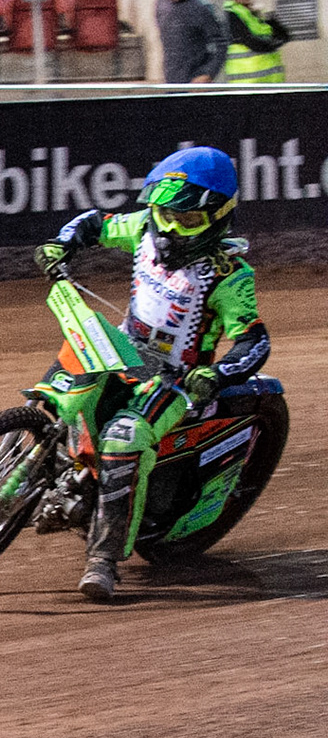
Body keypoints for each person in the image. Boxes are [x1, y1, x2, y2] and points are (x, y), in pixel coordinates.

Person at [34, 147, 270, 602]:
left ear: (219, 219)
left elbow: (254, 340)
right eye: (164, 214)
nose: (171, 229)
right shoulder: (143, 228)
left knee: (125, 437)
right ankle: (26, 476)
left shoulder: (230, 276)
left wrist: (216, 375)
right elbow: (94, 223)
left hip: (176, 379)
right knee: (59, 393)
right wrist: (60, 244)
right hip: (119, 349)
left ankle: (103, 560)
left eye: (188, 221)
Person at [155, 0, 226, 85]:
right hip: (171, 85)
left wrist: (207, 74)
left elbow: (220, 44)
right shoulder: (160, 6)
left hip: (194, 87)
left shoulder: (200, 9)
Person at [222, 0, 289, 84]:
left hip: (271, 82)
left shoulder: (258, 13)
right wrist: (274, 43)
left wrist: (269, 15)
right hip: (246, 84)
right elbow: (252, 42)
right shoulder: (231, 12)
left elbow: (284, 35)